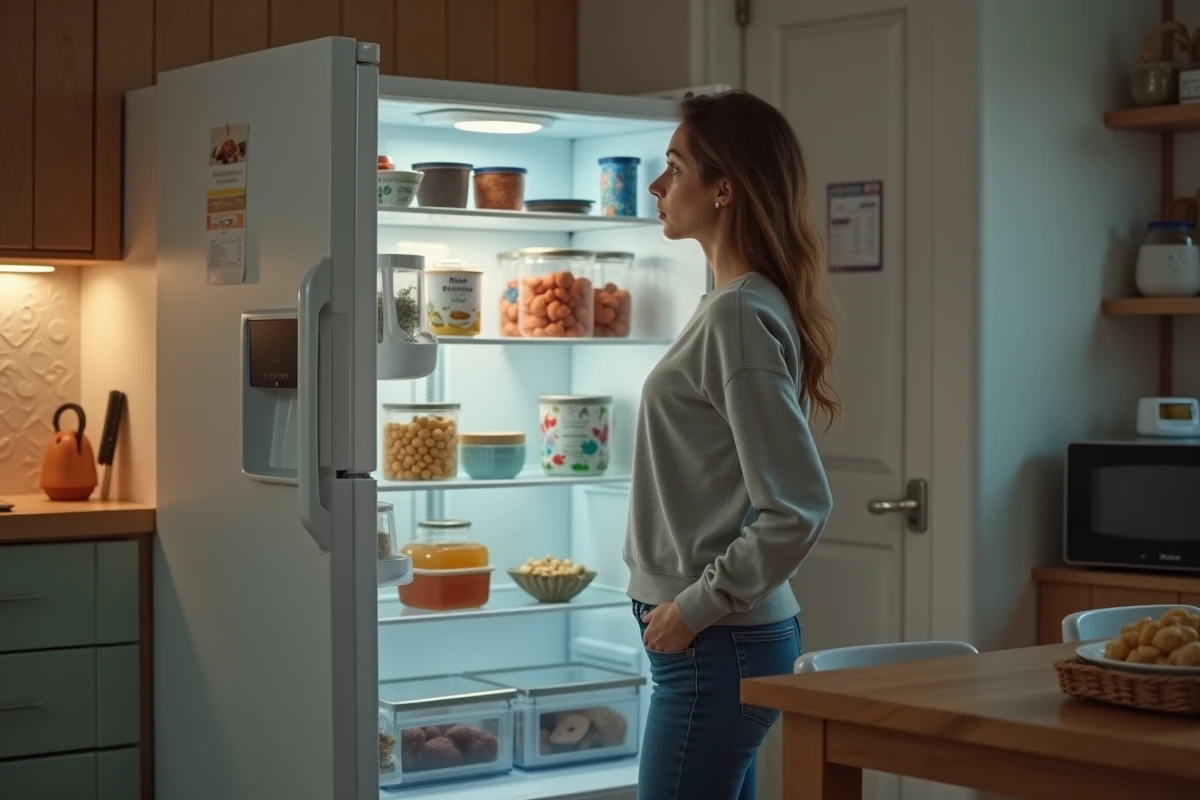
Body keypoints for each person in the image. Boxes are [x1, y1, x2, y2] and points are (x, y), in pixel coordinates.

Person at [624, 89, 838, 799]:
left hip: (718, 646)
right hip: (723, 644)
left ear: (724, 188)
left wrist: (694, 608)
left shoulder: (738, 315)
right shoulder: (736, 303)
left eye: (674, 167)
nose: (657, 186)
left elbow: (797, 507)